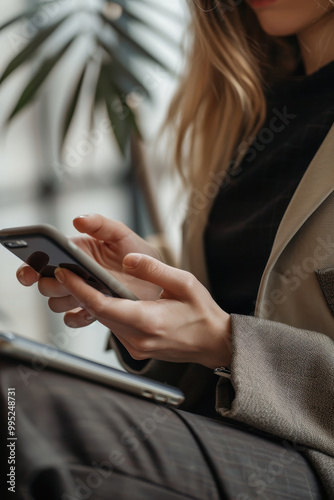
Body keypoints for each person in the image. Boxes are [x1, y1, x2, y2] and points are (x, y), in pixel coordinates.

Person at [2, 0, 334, 498]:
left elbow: (234, 337)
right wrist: (148, 298)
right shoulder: (245, 110)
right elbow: (245, 311)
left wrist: (228, 343)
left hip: (313, 461)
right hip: (214, 430)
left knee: (23, 409)